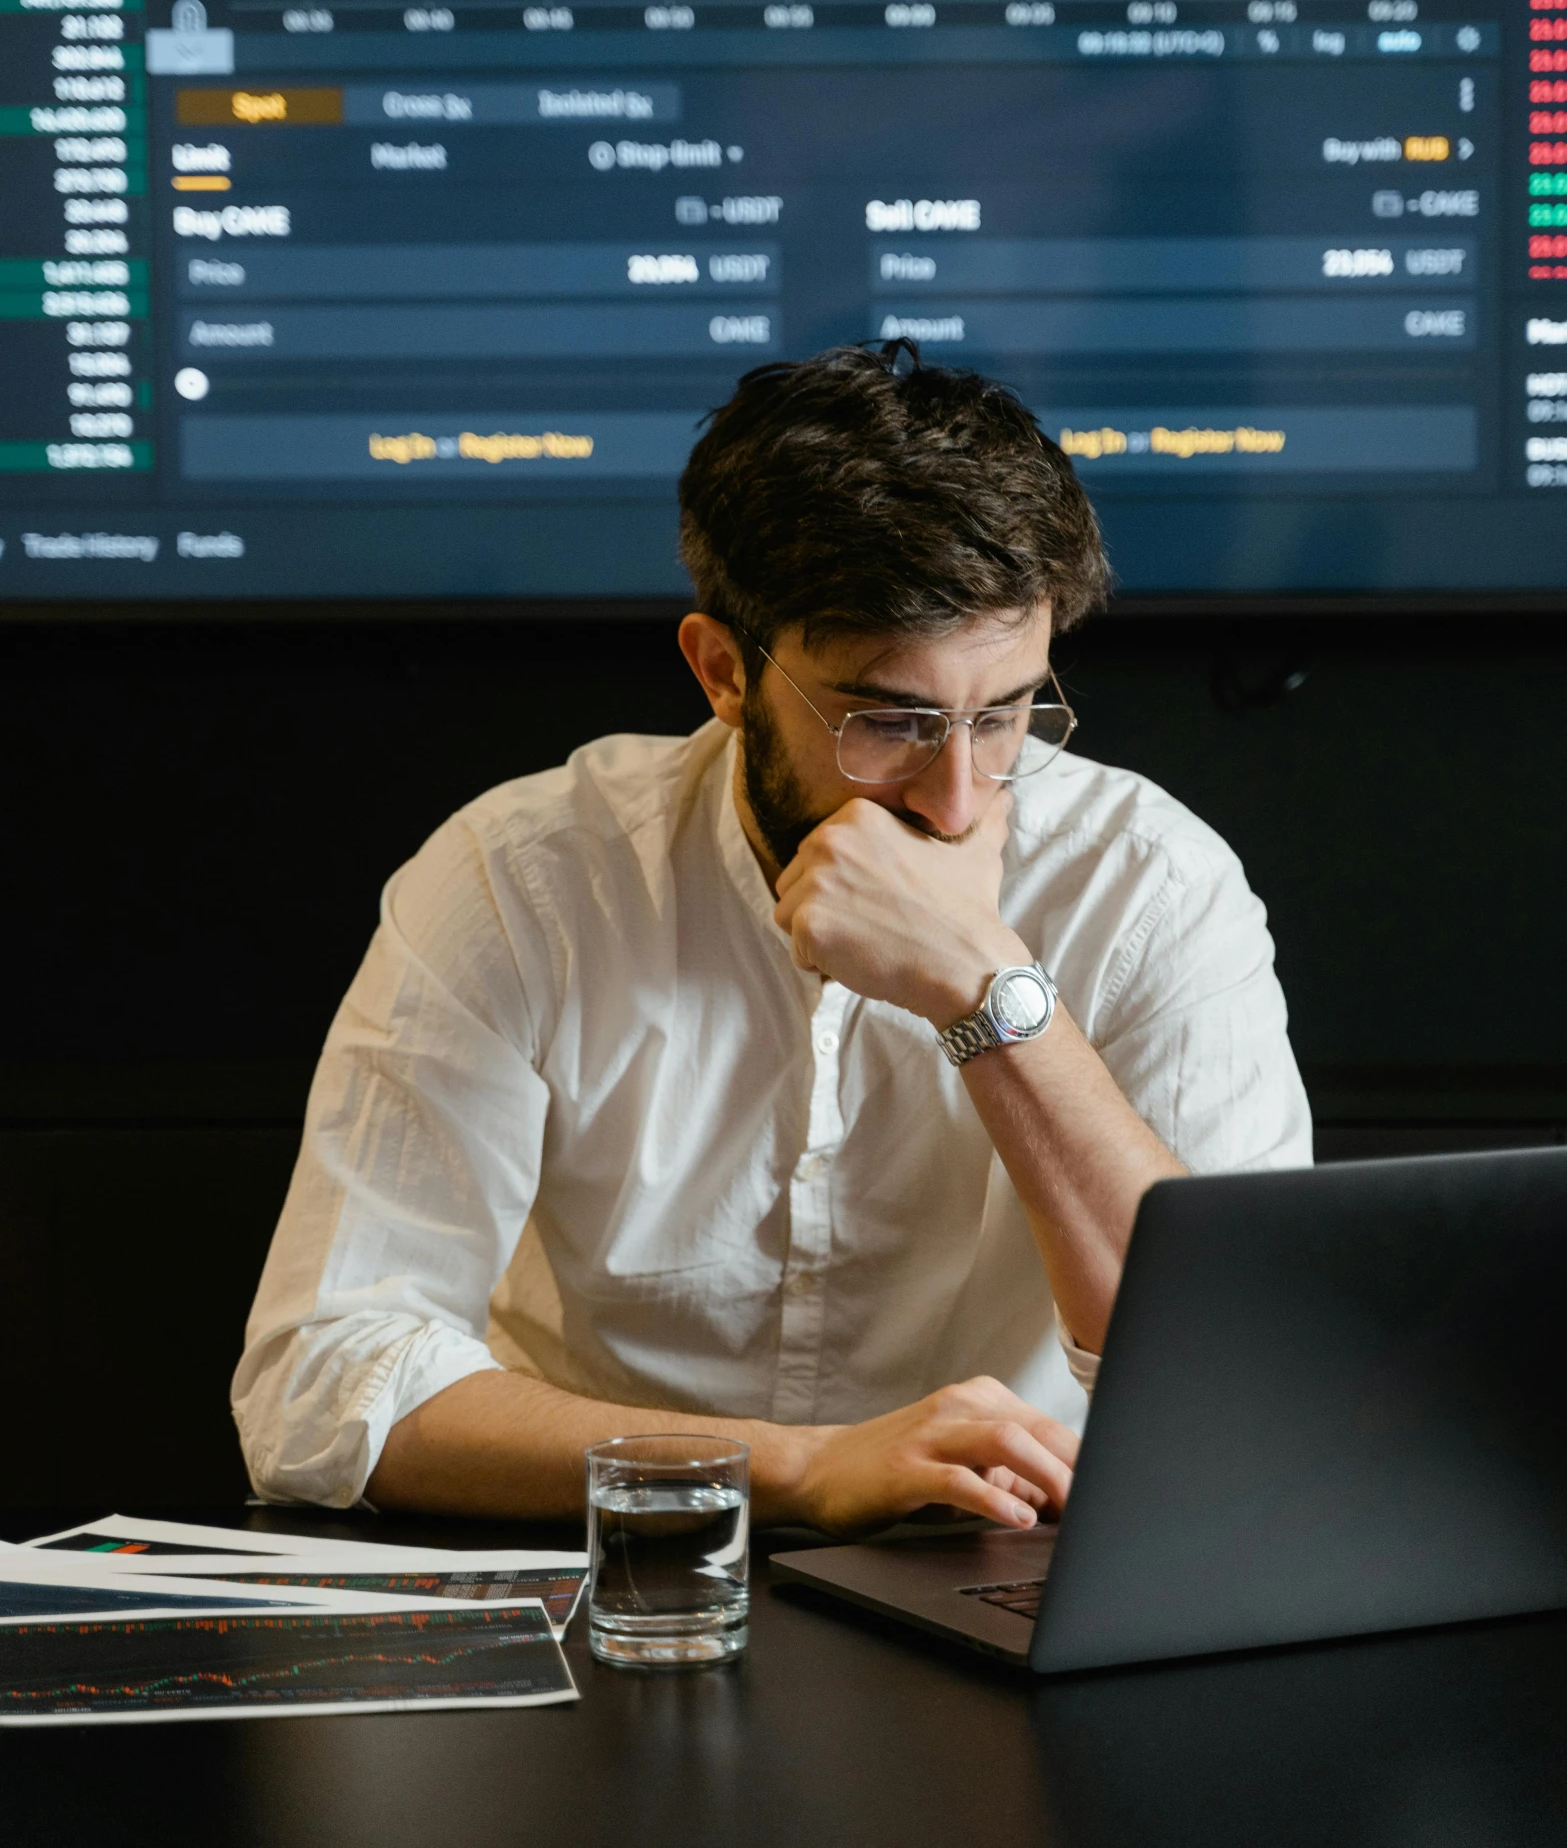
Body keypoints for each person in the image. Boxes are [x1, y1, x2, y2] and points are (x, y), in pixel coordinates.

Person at [233, 344, 1310, 1532]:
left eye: (1004, 715)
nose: (957, 798)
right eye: (888, 720)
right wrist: (792, 1466)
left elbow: (1246, 1384)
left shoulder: (1155, 881)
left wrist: (986, 989)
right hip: (627, 1570)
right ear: (723, 671)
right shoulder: (522, 879)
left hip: (1021, 1572)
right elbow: (321, 1380)